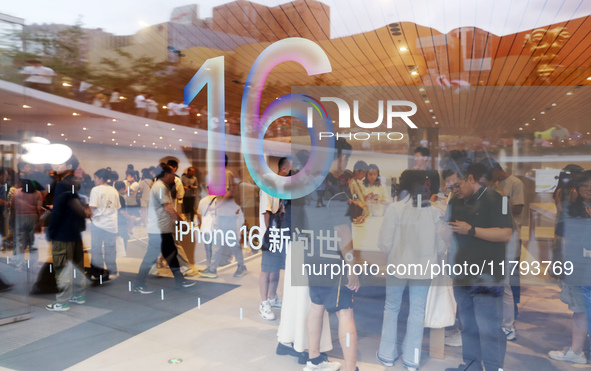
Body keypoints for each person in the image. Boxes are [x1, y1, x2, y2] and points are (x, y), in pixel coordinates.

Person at [445, 163, 513, 371]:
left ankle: (494, 368)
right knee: (468, 325)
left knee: (489, 327)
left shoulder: (496, 199)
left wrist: (471, 230)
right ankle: (470, 365)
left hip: (487, 274)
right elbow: (450, 230)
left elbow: (505, 233)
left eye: (457, 185)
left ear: (471, 179)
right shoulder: (455, 201)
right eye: (450, 187)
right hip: (461, 272)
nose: (454, 191)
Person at [377, 170, 447, 371]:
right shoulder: (434, 212)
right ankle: (411, 360)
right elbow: (441, 247)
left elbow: (385, 243)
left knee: (391, 308)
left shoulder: (395, 209)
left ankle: (387, 355)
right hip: (424, 268)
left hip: (397, 265)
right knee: (417, 311)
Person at [303, 138, 360, 371]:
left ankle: (314, 359)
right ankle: (350, 368)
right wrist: (352, 266)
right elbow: (342, 230)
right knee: (345, 311)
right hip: (331, 257)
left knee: (317, 306)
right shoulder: (334, 188)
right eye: (345, 157)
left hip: (312, 253)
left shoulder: (310, 181)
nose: (345, 162)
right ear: (337, 156)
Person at [133, 163, 196, 293]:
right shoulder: (160, 187)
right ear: (167, 174)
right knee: (151, 257)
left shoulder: (160, 186)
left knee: (171, 255)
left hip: (162, 229)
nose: (175, 176)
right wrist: (182, 222)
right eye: (173, 173)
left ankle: (180, 281)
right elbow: (168, 207)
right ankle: (138, 284)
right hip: (158, 230)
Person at [551, 170, 591, 364]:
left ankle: (577, 351)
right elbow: (564, 237)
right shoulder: (572, 208)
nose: (589, 188)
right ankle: (577, 351)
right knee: (580, 309)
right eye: (585, 184)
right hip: (579, 266)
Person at [46, 155, 90, 311]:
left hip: (63, 233)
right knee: (77, 265)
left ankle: (63, 301)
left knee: (62, 266)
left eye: (60, 162)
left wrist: (50, 230)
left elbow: (57, 211)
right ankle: (79, 295)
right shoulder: (79, 183)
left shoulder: (61, 184)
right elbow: (82, 206)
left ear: (69, 165)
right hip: (76, 232)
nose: (56, 165)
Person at [255, 157, 291, 321]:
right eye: (290, 170)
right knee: (266, 269)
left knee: (275, 268)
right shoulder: (269, 186)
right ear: (284, 169)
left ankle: (272, 297)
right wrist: (270, 236)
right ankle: (263, 302)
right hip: (271, 234)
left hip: (281, 233)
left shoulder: (284, 187)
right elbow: (266, 212)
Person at [89, 169, 121, 280]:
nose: (94, 180)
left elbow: (93, 207)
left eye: (96, 178)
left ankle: (98, 273)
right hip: (111, 224)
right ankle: (113, 272)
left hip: (98, 224)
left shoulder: (95, 190)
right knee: (110, 249)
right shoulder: (114, 190)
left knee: (96, 249)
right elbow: (117, 207)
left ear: (101, 178)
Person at [11, 179, 43, 269]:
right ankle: (33, 264)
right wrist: (39, 222)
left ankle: (19, 264)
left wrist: (12, 219)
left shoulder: (16, 193)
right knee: (33, 241)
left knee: (19, 242)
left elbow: (13, 207)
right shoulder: (38, 193)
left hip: (19, 217)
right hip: (33, 217)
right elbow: (39, 209)